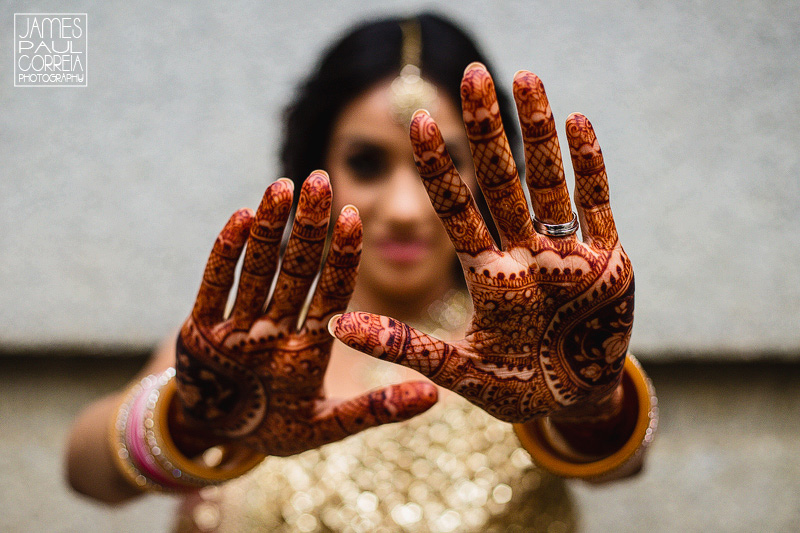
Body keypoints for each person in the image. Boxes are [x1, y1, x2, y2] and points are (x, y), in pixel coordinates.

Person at [66, 13, 657, 532]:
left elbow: (624, 466)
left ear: (490, 172)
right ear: (314, 167)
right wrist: (192, 425)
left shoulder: (535, 348)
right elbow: (87, 475)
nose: (404, 209)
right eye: (367, 163)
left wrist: (588, 407)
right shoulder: (253, 347)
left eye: (442, 166)